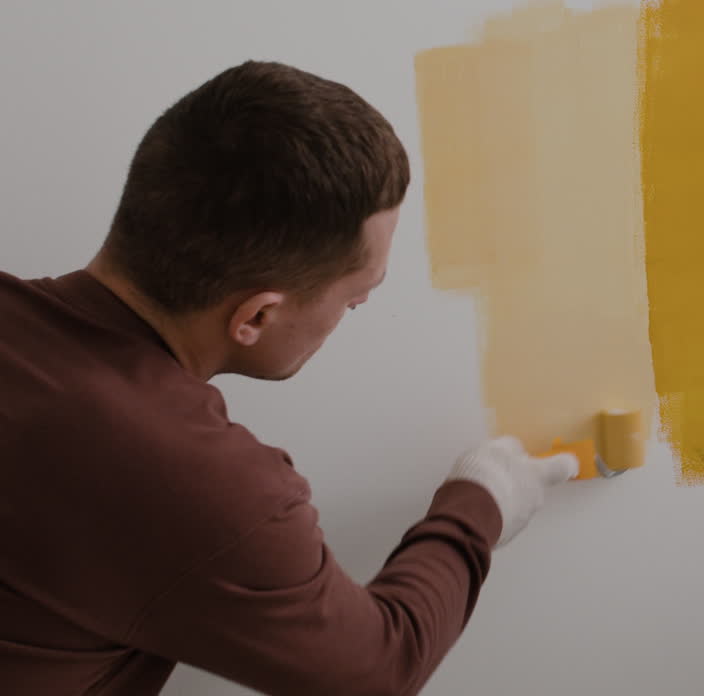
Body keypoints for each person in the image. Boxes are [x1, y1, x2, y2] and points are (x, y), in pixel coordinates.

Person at [0, 60, 579, 695]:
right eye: (355, 299)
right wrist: (482, 500)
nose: (354, 314)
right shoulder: (195, 481)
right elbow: (380, 669)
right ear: (257, 315)